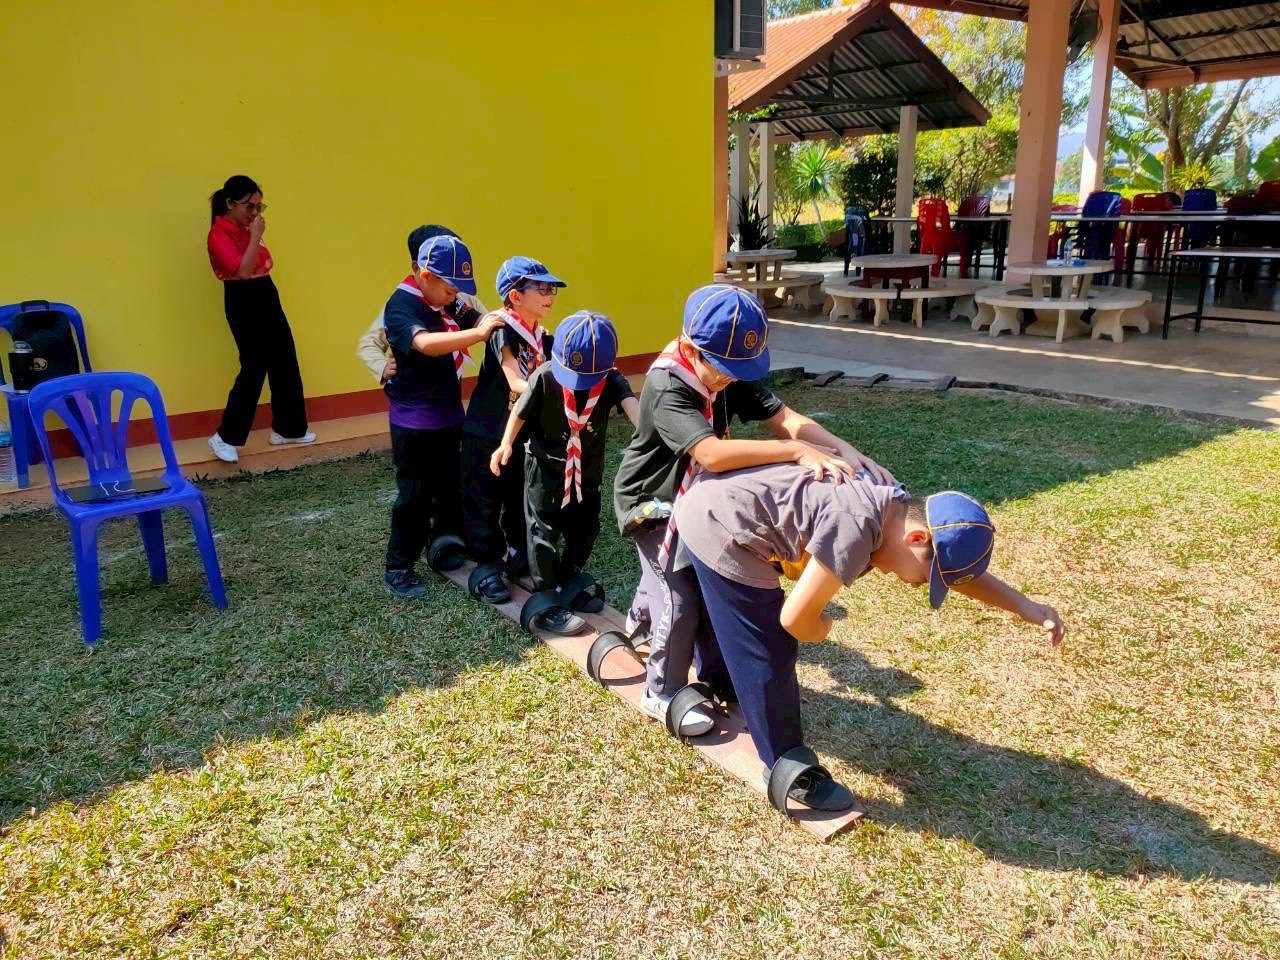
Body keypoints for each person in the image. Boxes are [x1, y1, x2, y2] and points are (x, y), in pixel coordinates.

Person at [675, 466, 1066, 810]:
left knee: (732, 613)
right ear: (916, 538)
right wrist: (822, 626)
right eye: (927, 577)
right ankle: (786, 763)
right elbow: (795, 619)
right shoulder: (856, 527)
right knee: (767, 648)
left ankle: (720, 682)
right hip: (719, 523)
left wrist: (1023, 606)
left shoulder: (893, 508)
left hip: (718, 505)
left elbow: (954, 570)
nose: (920, 585)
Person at [612, 283, 893, 736]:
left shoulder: (727, 371)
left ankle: (697, 660)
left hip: (699, 501)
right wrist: (794, 452)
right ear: (691, 348)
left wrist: (844, 449)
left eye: (739, 370)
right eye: (724, 370)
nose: (730, 379)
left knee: (706, 586)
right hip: (654, 501)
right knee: (681, 594)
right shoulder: (667, 384)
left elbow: (786, 419)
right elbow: (711, 454)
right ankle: (661, 690)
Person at [490, 311, 640, 634]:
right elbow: (520, 411)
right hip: (544, 469)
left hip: (587, 470)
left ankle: (568, 576)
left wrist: (649, 437)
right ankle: (547, 597)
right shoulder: (545, 376)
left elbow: (633, 409)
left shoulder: (611, 380)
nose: (577, 384)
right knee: (542, 532)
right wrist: (505, 444)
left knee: (586, 527)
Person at [381, 233, 505, 599]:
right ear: (422, 274)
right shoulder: (402, 305)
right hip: (414, 423)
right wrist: (478, 334)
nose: (455, 297)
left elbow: (474, 315)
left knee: (452, 487)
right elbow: (425, 344)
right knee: (415, 497)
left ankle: (446, 543)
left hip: (449, 413)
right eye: (450, 289)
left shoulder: (445, 301)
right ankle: (399, 566)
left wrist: (500, 322)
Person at [462, 257, 563, 605]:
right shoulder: (502, 328)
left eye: (552, 289)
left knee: (520, 497)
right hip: (487, 432)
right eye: (542, 289)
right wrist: (556, 388)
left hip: (519, 432)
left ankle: (519, 553)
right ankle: (487, 566)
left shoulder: (540, 335)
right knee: (484, 502)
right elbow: (515, 381)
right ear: (516, 297)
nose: (550, 295)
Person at [206, 175, 314, 463]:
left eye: (258, 207)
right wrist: (255, 236)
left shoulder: (247, 229)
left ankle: (288, 428)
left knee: (284, 357)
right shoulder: (218, 234)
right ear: (230, 203)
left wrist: (253, 235)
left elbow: (264, 263)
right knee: (254, 365)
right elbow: (241, 271)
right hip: (242, 298)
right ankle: (225, 436)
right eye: (249, 206)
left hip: (265, 291)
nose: (254, 213)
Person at [356, 224, 488, 385]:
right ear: (419, 268)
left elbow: (487, 322)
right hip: (417, 390)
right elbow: (369, 343)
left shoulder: (460, 296)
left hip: (448, 387)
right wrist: (381, 366)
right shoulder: (401, 304)